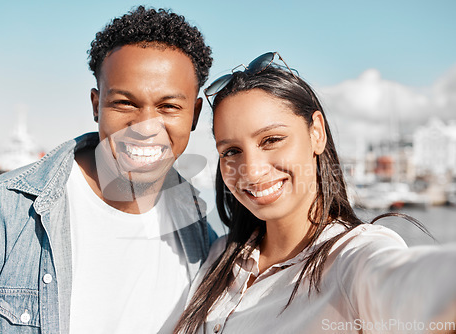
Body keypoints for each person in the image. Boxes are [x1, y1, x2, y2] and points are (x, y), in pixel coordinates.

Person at [0, 6, 217, 333]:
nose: (146, 126)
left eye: (168, 106)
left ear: (194, 115)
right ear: (96, 105)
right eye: (124, 103)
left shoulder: (203, 238)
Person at [174, 52, 456, 334]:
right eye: (232, 151)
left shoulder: (352, 260)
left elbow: (417, 286)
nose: (252, 171)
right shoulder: (219, 256)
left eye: (271, 140)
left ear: (316, 133)